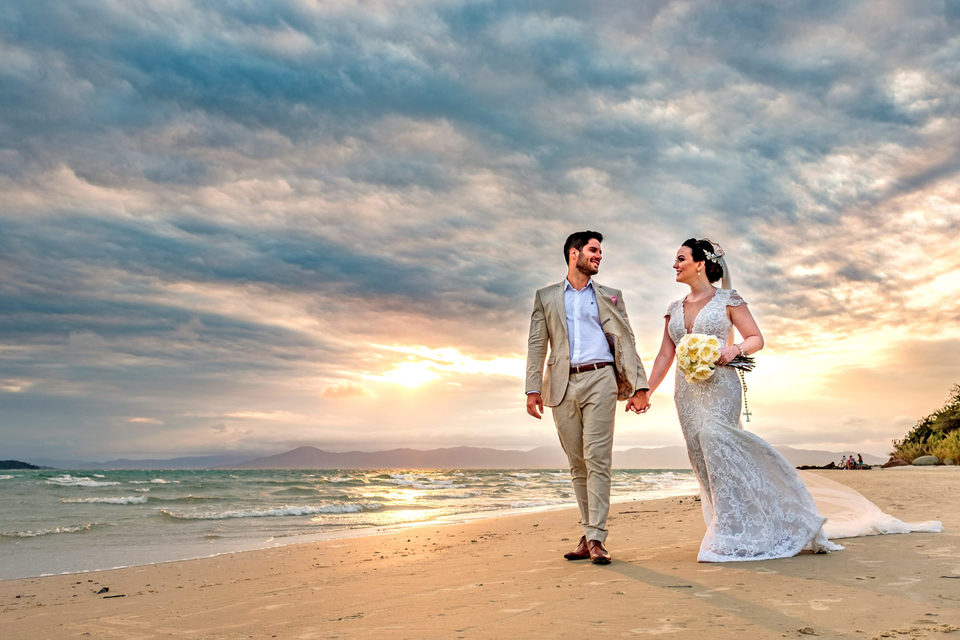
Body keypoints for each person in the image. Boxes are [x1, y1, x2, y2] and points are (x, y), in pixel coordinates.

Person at [643, 238, 941, 562]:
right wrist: (645, 391)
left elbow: (756, 338)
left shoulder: (728, 299)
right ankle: (738, 523)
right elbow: (664, 354)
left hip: (721, 385)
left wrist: (733, 349)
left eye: (680, 258)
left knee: (717, 439)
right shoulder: (674, 309)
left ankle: (733, 531)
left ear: (700, 263)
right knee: (702, 457)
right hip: (686, 392)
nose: (675, 264)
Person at [525, 230, 651, 565]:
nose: (598, 256)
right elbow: (537, 343)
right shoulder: (546, 296)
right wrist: (532, 388)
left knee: (598, 459)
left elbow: (626, 340)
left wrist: (640, 385)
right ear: (573, 253)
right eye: (593, 251)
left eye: (600, 252)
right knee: (577, 463)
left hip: (601, 379)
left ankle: (596, 538)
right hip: (562, 385)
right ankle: (588, 533)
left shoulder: (610, 295)